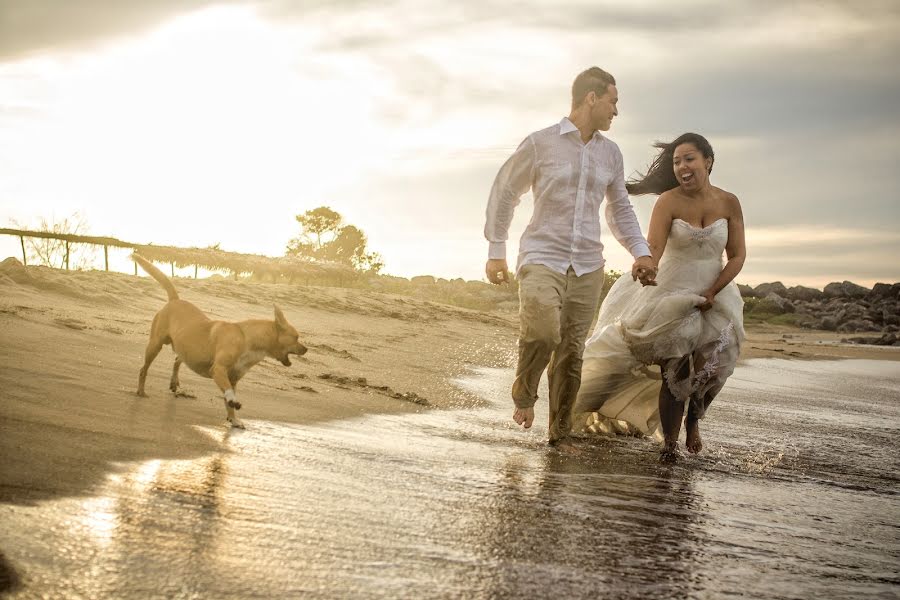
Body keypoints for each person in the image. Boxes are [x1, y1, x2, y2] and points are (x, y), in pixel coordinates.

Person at [484, 66, 656, 451]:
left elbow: (619, 210)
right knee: (544, 331)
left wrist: (640, 252)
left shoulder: (611, 154)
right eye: (613, 101)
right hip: (542, 255)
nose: (616, 111)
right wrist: (496, 250)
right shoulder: (541, 143)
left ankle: (559, 434)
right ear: (591, 98)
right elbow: (505, 192)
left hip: (588, 265)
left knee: (571, 354)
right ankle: (524, 392)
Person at [572, 132, 746, 458]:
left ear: (708, 161)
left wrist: (712, 290)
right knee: (675, 367)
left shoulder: (729, 202)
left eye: (689, 159)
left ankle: (694, 420)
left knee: (714, 365)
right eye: (677, 161)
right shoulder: (668, 200)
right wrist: (646, 265)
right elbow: (654, 247)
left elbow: (737, 255)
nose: (682, 166)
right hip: (671, 289)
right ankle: (669, 445)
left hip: (717, 290)